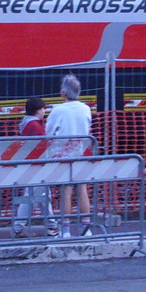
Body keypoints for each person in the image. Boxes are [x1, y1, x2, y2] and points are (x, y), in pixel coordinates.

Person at [44, 75, 94, 237]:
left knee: (66, 190)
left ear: (63, 93)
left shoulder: (57, 110)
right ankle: (86, 229)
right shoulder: (86, 108)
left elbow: (49, 133)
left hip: (62, 154)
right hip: (81, 151)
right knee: (83, 189)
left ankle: (65, 230)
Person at [12, 96, 56, 238]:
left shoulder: (28, 124)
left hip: (34, 165)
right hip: (37, 166)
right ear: (38, 110)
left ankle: (52, 225)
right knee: (33, 196)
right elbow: (41, 146)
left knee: (42, 195)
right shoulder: (35, 126)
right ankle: (19, 227)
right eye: (44, 108)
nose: (45, 111)